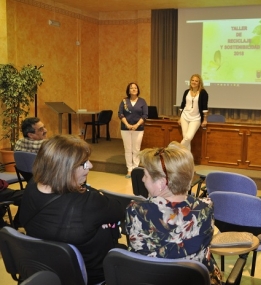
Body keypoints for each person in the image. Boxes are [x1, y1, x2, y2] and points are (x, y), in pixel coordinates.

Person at [19, 135, 125, 285]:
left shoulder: (32, 186)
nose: (91, 166)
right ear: (64, 169)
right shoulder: (89, 203)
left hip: (48, 269)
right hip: (92, 276)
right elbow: (119, 209)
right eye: (83, 163)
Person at [125, 141, 222, 285]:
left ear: (162, 183)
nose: (142, 179)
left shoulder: (137, 211)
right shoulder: (206, 207)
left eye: (145, 175)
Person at [118, 82, 148, 178]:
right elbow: (120, 114)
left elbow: (145, 115)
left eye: (135, 88)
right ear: (129, 90)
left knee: (136, 149)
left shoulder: (142, 101)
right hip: (125, 129)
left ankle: (135, 168)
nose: (134, 89)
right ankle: (129, 169)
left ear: (138, 90)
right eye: (132, 88)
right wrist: (127, 124)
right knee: (128, 149)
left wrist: (136, 125)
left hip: (138, 129)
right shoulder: (124, 101)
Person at [178, 74, 208, 150]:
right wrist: (179, 118)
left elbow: (205, 107)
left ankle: (176, 150)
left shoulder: (203, 93)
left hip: (195, 118)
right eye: (192, 80)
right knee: (186, 138)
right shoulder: (186, 92)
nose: (194, 82)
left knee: (188, 137)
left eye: (196, 81)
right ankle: (188, 160)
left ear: (199, 83)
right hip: (184, 117)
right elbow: (183, 105)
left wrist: (205, 119)